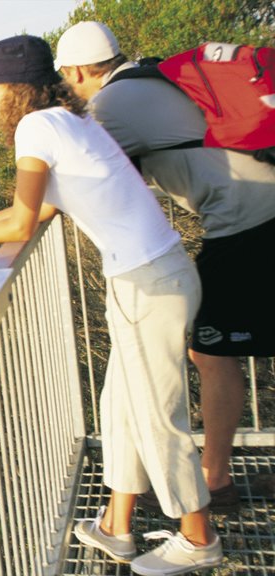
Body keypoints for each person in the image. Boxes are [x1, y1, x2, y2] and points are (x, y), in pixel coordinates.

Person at [0, 34, 221, 574]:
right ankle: (116, 526)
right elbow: (36, 213)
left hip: (146, 282)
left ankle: (199, 538)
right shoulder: (72, 119)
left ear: (14, 86)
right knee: (120, 407)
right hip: (151, 274)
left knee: (158, 416)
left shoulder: (35, 127)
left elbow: (20, 220)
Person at [54, 21, 275, 514]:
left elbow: (78, 184)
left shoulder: (110, 106)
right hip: (259, 206)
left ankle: (214, 482)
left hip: (246, 218)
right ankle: (213, 476)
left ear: (74, 71)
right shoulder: (149, 78)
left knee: (211, 352)